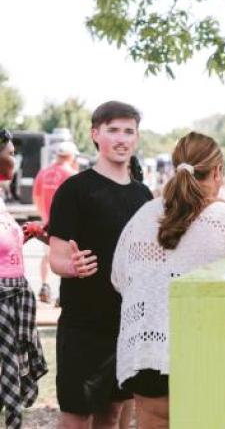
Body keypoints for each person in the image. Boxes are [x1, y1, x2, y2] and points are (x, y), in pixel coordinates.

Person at [111, 132, 225, 429]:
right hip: (217, 358)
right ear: (218, 171)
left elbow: (119, 278)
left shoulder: (143, 217)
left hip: (150, 354)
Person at [48, 101, 153, 429]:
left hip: (128, 325)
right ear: (95, 134)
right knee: (76, 419)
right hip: (83, 326)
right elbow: (56, 258)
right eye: (113, 130)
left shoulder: (144, 196)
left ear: (136, 137)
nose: (122, 138)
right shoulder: (74, 190)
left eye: (128, 131)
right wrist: (72, 266)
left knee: (111, 416)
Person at [0, 129, 48, 429]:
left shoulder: (1, 198)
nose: (14, 160)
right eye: (10, 153)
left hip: (15, 297)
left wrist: (25, 235)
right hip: (3, 299)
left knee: (10, 378)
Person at [32, 141, 79, 303]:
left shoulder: (43, 172)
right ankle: (61, 294)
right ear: (71, 156)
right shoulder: (72, 175)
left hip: (47, 222)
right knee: (65, 258)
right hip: (67, 224)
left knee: (47, 255)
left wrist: (44, 216)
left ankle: (44, 286)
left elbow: (36, 197)